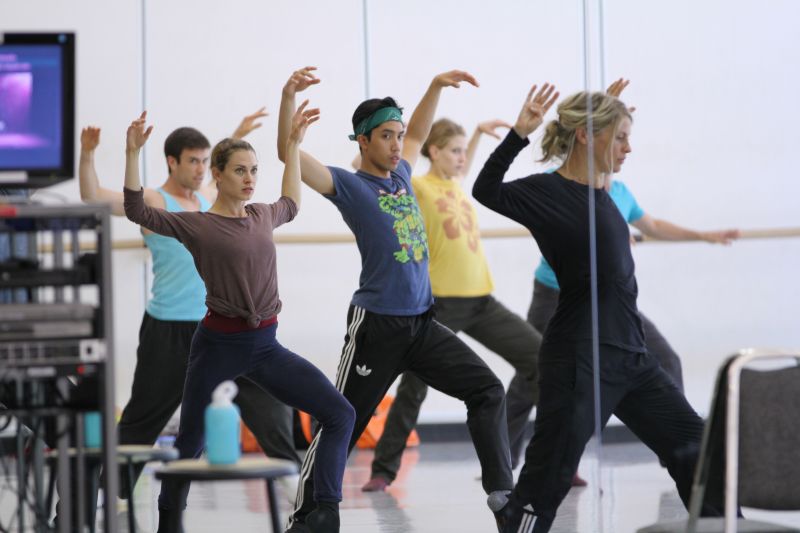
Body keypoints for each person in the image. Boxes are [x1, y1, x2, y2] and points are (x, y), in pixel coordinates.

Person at [472, 84, 724, 532]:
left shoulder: (607, 191)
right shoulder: (546, 194)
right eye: (621, 137)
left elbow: (596, 166)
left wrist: (605, 111)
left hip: (631, 357)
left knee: (698, 452)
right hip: (579, 359)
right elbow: (486, 190)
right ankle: (515, 518)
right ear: (588, 136)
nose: (629, 148)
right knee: (542, 490)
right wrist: (519, 133)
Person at [277, 67, 514, 532]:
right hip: (377, 328)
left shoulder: (403, 172)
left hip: (422, 325)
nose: (396, 144)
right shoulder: (349, 185)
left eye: (398, 136)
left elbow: (422, 131)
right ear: (363, 141)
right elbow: (289, 154)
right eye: (386, 136)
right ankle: (310, 514)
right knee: (342, 419)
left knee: (487, 390)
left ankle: (503, 497)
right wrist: (289, 104)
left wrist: (435, 87)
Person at [122, 107, 355, 533]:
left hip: (267, 347)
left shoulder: (263, 214)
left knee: (340, 413)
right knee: (190, 445)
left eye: (254, 170)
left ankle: (325, 511)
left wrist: (295, 145)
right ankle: (168, 524)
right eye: (240, 171)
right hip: (217, 348)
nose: (249, 179)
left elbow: (292, 202)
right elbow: (137, 209)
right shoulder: (198, 226)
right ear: (218, 174)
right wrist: (132, 154)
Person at [79, 109, 305, 498]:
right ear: (173, 161)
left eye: (205, 161)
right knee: (142, 419)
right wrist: (88, 155)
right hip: (168, 328)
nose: (201, 168)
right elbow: (94, 196)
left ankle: (299, 486)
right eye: (193, 161)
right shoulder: (156, 198)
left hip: (219, 325)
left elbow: (229, 173)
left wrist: (240, 134)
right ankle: (110, 494)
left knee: (268, 406)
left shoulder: (208, 198)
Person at [361, 117, 545, 492]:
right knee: (414, 387)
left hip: (482, 300)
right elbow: (371, 171)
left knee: (541, 360)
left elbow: (464, 163)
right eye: (455, 151)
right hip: (441, 305)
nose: (463, 158)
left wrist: (475, 134)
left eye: (465, 152)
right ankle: (383, 468)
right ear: (434, 152)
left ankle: (538, 455)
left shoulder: (456, 185)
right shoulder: (418, 187)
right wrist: (381, 144)